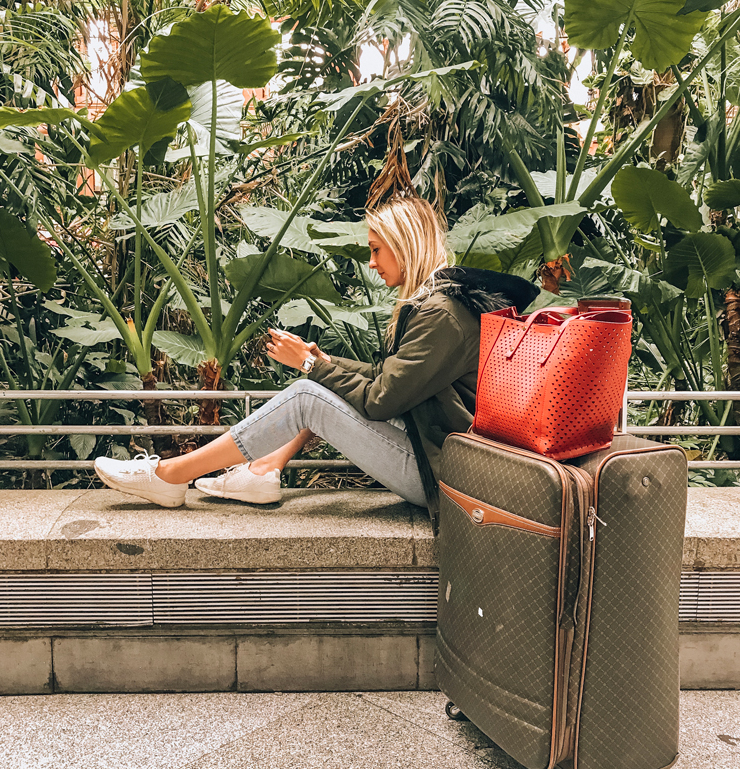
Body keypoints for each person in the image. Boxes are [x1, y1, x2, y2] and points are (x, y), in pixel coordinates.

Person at [94, 196, 538, 525]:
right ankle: (263, 470)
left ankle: (170, 476)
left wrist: (312, 367)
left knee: (310, 393)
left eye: (377, 249)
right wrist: (323, 360)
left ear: (405, 246)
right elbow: (394, 381)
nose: (371, 263)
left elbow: (382, 400)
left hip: (440, 473)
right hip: (435, 451)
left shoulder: (442, 314)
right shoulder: (442, 305)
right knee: (321, 383)